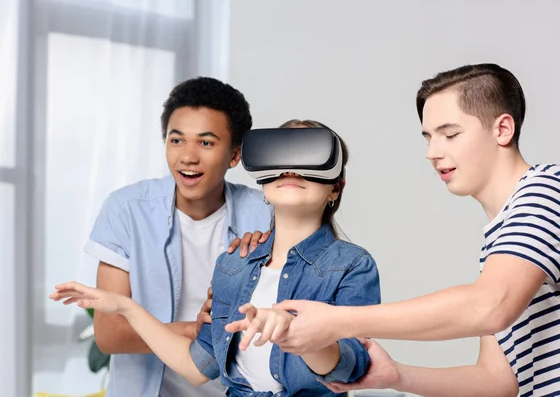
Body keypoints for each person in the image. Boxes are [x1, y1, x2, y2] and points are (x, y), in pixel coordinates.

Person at [229, 64, 560, 397]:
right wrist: (397, 376)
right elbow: (497, 382)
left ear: (502, 129)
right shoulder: (502, 241)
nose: (433, 153)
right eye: (428, 137)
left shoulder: (545, 192)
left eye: (450, 134)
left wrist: (338, 321)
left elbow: (489, 306)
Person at [51, 120, 381, 396]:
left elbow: (351, 368)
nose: (290, 170)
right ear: (264, 182)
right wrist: (125, 307)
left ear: (335, 187)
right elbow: (198, 366)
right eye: (279, 159)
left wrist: (298, 336)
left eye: (308, 158)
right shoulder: (233, 265)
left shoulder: (353, 266)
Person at [82, 76, 273, 397]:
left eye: (206, 142)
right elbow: (110, 334)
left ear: (235, 154)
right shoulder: (126, 210)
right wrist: (195, 331)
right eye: (177, 140)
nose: (188, 156)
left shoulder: (266, 213)